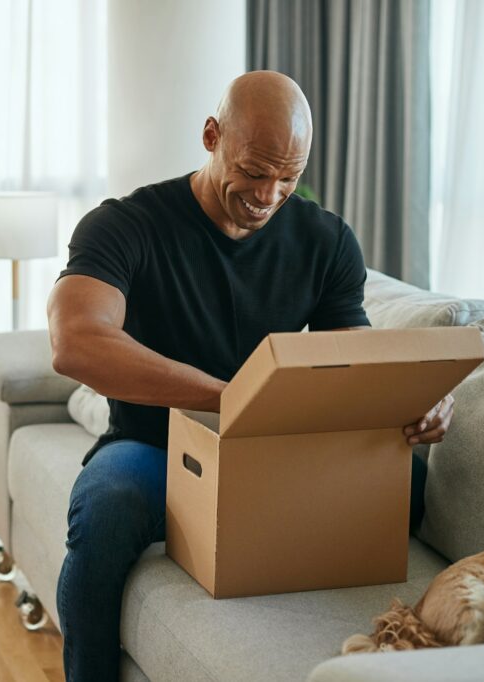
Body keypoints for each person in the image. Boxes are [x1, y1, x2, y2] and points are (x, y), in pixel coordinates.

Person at [47, 70, 454, 681]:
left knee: (411, 486)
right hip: (158, 447)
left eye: (289, 177)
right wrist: (232, 397)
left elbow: (350, 355)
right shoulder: (125, 225)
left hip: (276, 451)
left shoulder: (327, 239)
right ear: (211, 136)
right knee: (106, 508)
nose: (269, 195)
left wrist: (406, 398)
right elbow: (77, 343)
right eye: (256, 171)